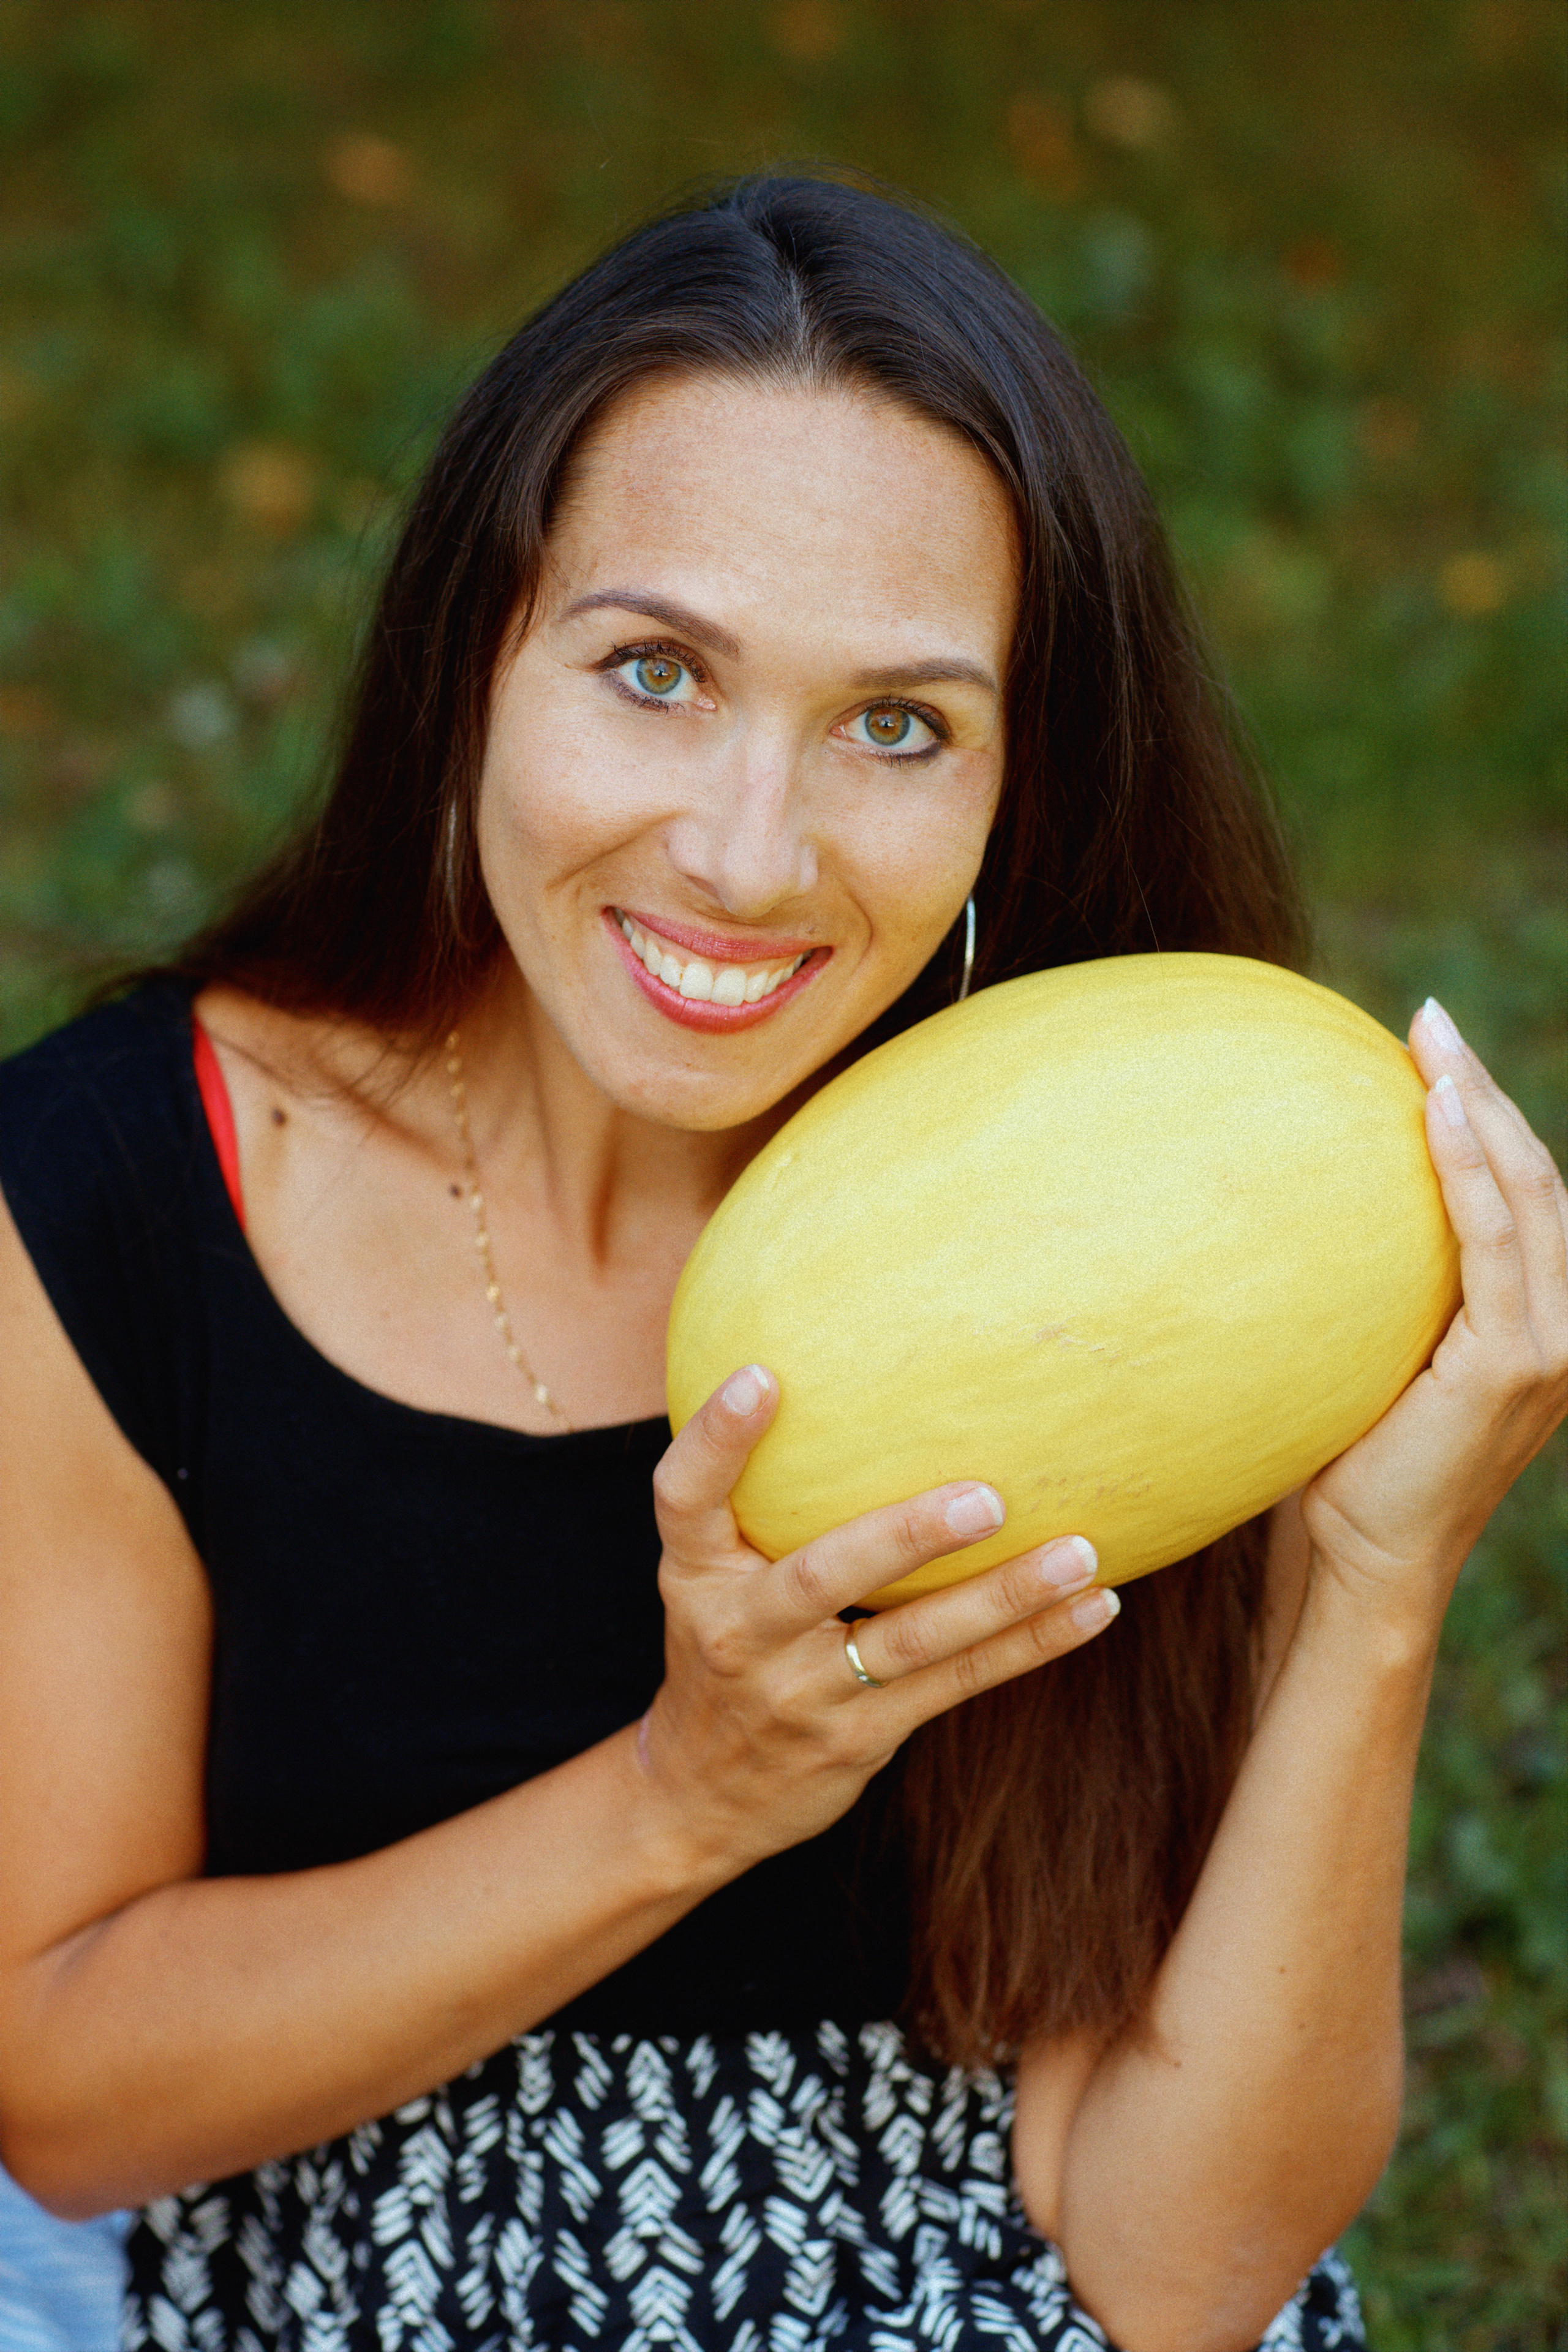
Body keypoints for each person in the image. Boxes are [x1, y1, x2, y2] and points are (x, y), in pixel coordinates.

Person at [0, 174, 1562, 2352]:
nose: (747, 854)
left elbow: (1183, 2273)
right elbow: (63, 2102)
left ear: (1019, 781)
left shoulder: (1149, 1210)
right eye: (655, 672)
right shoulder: (115, 1198)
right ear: (473, 657)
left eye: (897, 724)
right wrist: (682, 1801)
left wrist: (1374, 1589)